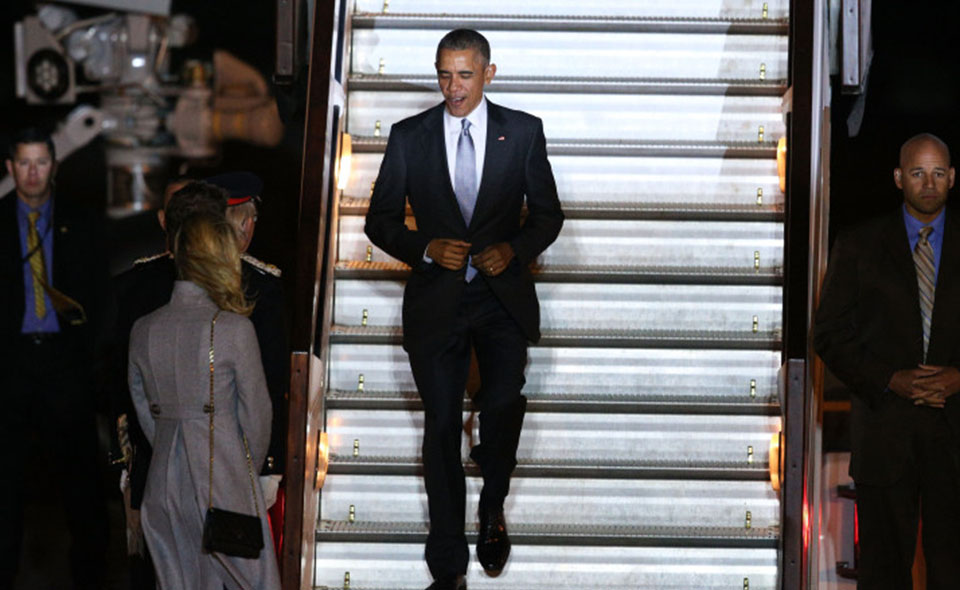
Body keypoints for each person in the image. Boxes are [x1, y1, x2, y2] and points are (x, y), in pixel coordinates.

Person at [364, 28, 564, 590]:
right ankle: (447, 564)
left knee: (502, 405)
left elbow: (549, 216)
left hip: (500, 298)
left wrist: (514, 249)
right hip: (437, 300)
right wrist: (423, 246)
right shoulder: (410, 136)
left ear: (489, 74)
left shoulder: (522, 132)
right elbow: (378, 221)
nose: (453, 87)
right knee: (441, 428)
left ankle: (493, 506)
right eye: (444, 75)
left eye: (465, 75)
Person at [814, 133, 960, 589]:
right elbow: (829, 334)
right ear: (899, 178)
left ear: (952, 177)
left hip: (954, 442)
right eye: (918, 172)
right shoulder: (858, 244)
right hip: (884, 438)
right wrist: (888, 380)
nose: (929, 183)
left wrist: (959, 377)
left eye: (938, 173)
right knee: (882, 575)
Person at [128, 209, 280, 590]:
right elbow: (258, 417)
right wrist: (241, 468)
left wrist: (169, 443)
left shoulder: (143, 329)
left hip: (163, 485)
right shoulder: (234, 330)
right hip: (225, 480)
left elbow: (144, 411)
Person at [0, 128, 109, 589]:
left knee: (81, 477)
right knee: (5, 479)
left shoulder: (81, 221)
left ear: (54, 166)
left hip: (65, 362)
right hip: (10, 364)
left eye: (40, 162)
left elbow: (99, 295)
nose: (31, 172)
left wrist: (89, 359)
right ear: (10, 168)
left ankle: (91, 574)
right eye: (23, 163)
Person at [109, 179, 228, 588]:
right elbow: (120, 387)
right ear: (164, 221)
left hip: (220, 467)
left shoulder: (245, 284)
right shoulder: (133, 289)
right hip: (153, 459)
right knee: (159, 570)